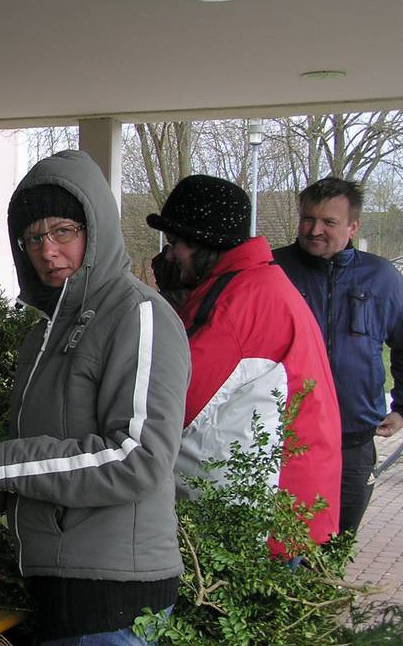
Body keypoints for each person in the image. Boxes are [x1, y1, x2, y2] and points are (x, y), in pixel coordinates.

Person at [0, 150, 191, 646]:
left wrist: (2, 463)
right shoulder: (47, 329)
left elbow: (136, 456)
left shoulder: (140, 315)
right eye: (32, 237)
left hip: (109, 590)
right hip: (66, 581)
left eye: (63, 232)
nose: (48, 250)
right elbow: (55, 453)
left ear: (94, 228)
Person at [148, 174, 342, 546]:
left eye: (176, 244)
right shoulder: (254, 283)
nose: (170, 255)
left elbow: (172, 401)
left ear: (205, 243)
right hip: (295, 507)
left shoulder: (236, 302)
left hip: (270, 524)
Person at [273, 177, 403, 535]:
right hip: (285, 442)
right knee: (283, 549)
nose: (315, 230)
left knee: (338, 545)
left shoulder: (381, 277)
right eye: (308, 219)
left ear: (353, 226)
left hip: (353, 442)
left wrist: (402, 409)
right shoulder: (272, 272)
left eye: (328, 222)